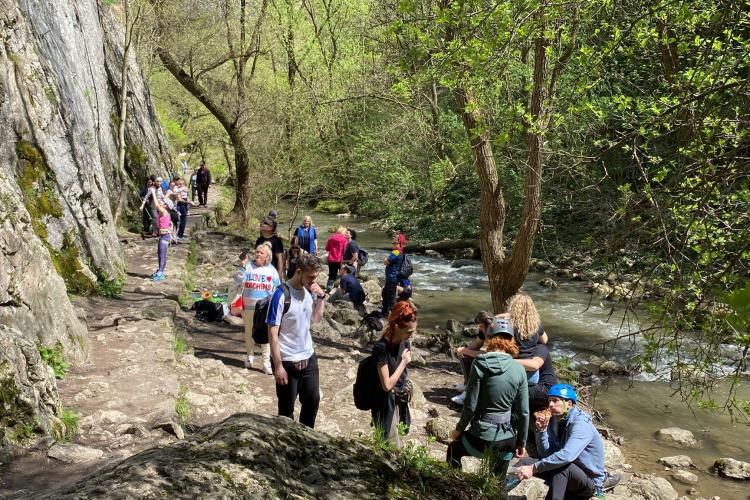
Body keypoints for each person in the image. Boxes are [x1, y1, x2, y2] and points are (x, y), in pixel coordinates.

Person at [446, 318, 529, 484]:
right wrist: (522, 442)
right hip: (507, 440)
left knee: (453, 450)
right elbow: (524, 412)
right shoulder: (519, 369)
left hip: (481, 436)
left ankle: (458, 487)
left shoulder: (479, 363)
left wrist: (459, 430)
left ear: (490, 339)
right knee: (496, 483)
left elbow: (470, 405)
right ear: (511, 340)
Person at [516, 384, 619, 499]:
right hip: (568, 473)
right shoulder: (557, 419)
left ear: (569, 404)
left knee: (562, 467)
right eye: (550, 401)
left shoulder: (581, 425)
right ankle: (501, 488)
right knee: (525, 462)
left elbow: (566, 457)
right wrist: (542, 431)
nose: (550, 405)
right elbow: (546, 455)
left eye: (555, 401)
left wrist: (534, 468)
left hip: (588, 482)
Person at [267, 253, 326, 428]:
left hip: (309, 357)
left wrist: (321, 298)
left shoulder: (309, 291)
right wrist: (278, 366)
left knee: (312, 402)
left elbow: (315, 319)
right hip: (287, 361)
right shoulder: (280, 295)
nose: (313, 280)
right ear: (299, 272)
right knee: (286, 410)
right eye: (310, 276)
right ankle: (285, 445)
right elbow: (272, 333)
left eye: (316, 276)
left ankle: (306, 441)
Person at [370, 301, 416, 447]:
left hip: (401, 399)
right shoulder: (381, 348)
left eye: (413, 331)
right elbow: (387, 385)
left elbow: (403, 376)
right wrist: (403, 362)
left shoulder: (405, 343)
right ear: (396, 327)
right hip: (385, 402)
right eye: (409, 332)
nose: (411, 335)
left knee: (399, 440)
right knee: (389, 445)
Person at [235, 243, 281, 374]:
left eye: (261, 253)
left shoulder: (272, 270)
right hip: (248, 306)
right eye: (257, 252)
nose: (258, 254)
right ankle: (249, 356)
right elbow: (237, 280)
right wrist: (242, 265)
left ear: (267, 257)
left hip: (263, 308)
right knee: (249, 331)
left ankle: (266, 362)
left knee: (265, 334)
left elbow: (277, 289)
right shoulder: (248, 266)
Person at [452, 310, 494, 405]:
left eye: (482, 326)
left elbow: (491, 355)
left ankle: (468, 394)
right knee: (465, 355)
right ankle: (468, 385)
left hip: (497, 361)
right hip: (490, 357)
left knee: (478, 359)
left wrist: (467, 351)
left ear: (490, 325)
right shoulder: (483, 331)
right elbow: (476, 344)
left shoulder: (496, 332)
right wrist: (464, 351)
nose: (480, 329)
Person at [151, 200, 172, 281]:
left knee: (162, 255)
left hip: (165, 236)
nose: (160, 203)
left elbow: (157, 205)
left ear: (166, 206)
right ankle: (160, 270)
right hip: (162, 236)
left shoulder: (164, 212)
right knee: (160, 254)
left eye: (162, 203)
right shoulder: (162, 213)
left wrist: (153, 191)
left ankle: (161, 273)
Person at [381, 239, 404, 315]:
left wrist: (385, 259)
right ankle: (385, 312)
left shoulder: (396, 252)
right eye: (394, 244)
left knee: (391, 297)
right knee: (385, 293)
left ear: (399, 244)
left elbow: (386, 262)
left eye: (395, 244)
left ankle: (394, 315)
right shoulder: (401, 252)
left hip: (392, 277)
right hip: (393, 277)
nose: (394, 246)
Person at [324, 226, 348, 292]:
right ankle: (344, 289)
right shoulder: (344, 240)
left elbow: (327, 249)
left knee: (331, 275)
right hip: (340, 260)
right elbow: (345, 251)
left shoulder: (331, 238)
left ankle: (328, 289)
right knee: (343, 275)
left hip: (331, 259)